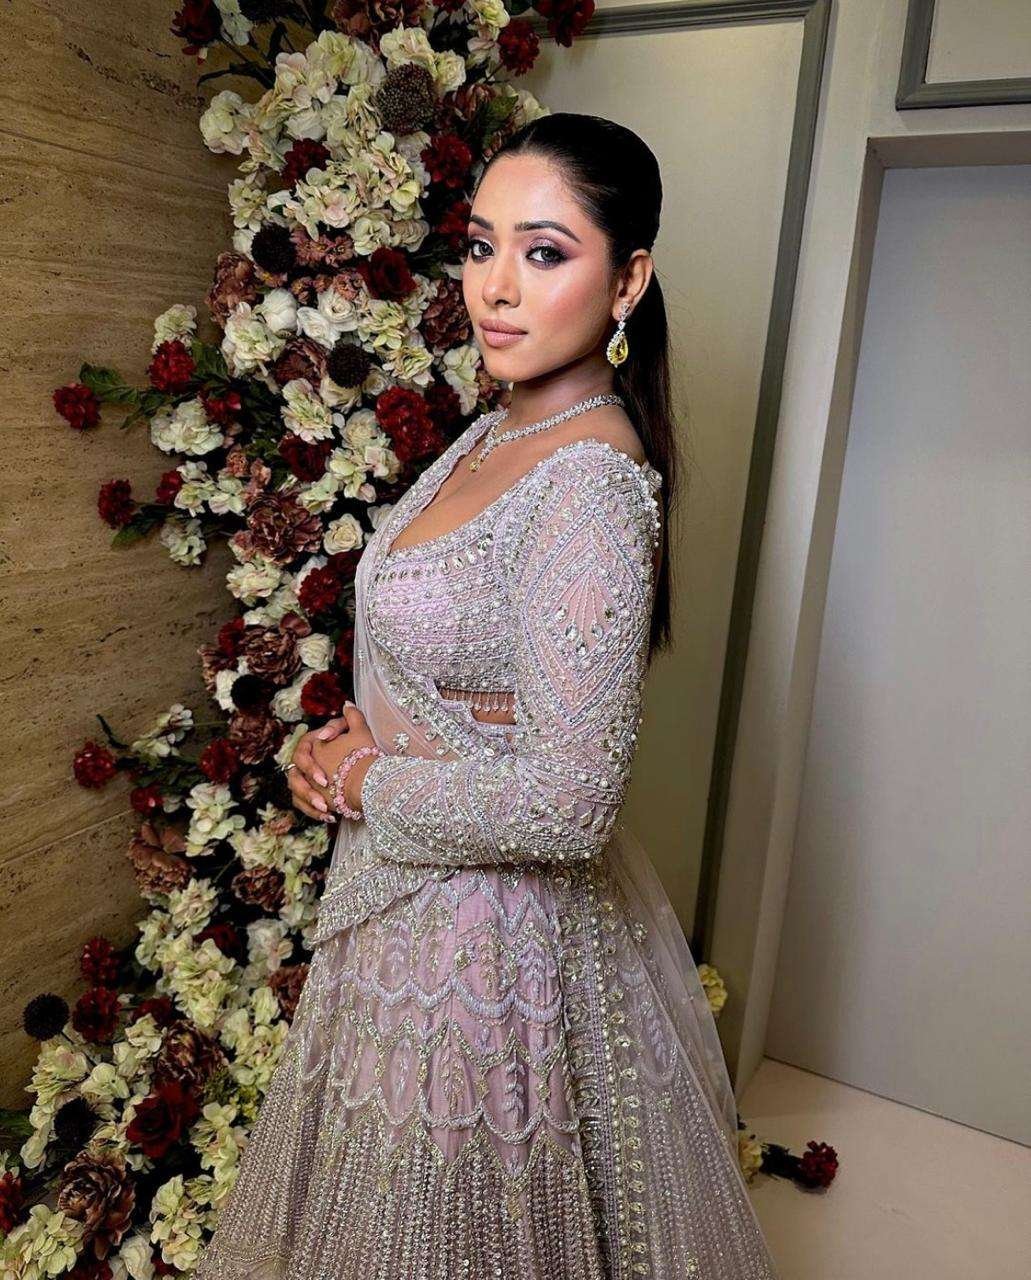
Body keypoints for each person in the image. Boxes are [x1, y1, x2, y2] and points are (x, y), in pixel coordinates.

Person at [194, 113, 780, 1279]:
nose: (495, 287)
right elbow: (451, 667)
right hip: (406, 907)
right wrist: (346, 743)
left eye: (544, 251)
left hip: (489, 957)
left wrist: (371, 779)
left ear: (627, 281)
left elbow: (569, 802)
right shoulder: (492, 429)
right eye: (479, 245)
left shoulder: (587, 482)